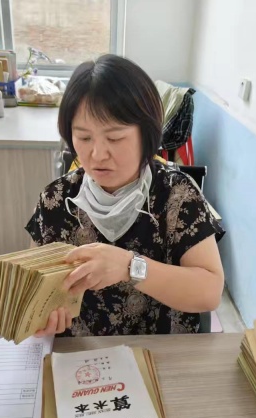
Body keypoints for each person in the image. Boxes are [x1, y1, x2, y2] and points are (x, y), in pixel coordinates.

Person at [25, 54, 225, 337]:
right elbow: (32, 289)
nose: (97, 155)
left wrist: (130, 267)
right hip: (82, 355)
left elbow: (210, 292)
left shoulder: (177, 196)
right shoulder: (55, 199)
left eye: (115, 138)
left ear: (146, 134)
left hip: (160, 351)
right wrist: (40, 317)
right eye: (84, 138)